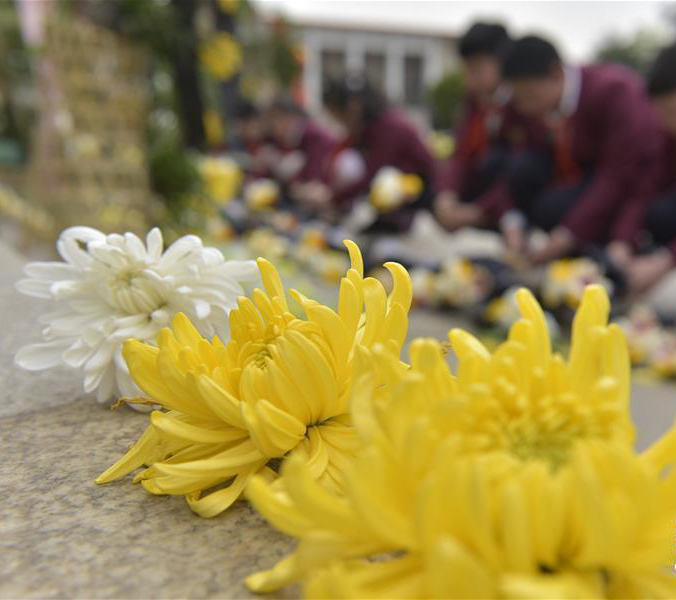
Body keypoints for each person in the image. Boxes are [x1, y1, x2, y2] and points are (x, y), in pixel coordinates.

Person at [500, 35, 664, 265]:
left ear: (556, 75)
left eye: (529, 95)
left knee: (658, 213)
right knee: (531, 180)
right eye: (518, 98)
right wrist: (512, 222)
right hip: (585, 179)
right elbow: (519, 163)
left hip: (630, 183)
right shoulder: (536, 109)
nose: (524, 107)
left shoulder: (613, 91)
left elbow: (618, 176)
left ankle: (610, 253)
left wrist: (567, 235)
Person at [321, 74, 434, 232]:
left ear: (354, 106)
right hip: (396, 186)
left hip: (418, 191)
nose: (339, 123)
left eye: (339, 116)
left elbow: (374, 174)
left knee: (384, 177)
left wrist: (332, 199)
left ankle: (395, 221)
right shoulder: (365, 129)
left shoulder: (388, 127)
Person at [434, 22, 512, 229]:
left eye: (477, 69)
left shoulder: (520, 103)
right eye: (466, 68)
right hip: (474, 193)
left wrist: (479, 211)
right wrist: (446, 195)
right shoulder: (472, 103)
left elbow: (519, 172)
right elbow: (460, 153)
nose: (468, 78)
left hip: (503, 200)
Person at [624, 43, 676, 292]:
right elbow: (644, 189)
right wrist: (622, 241)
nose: (666, 123)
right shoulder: (667, 137)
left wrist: (664, 261)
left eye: (671, 112)